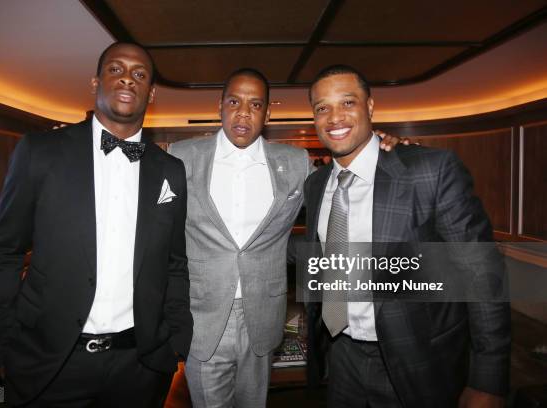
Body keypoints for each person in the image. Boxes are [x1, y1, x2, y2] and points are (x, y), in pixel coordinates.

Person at [169, 68, 404, 407]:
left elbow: (340, 191)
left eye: (255, 104)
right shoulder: (181, 155)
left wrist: (382, 150)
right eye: (234, 101)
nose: (242, 113)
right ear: (220, 104)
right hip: (202, 318)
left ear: (267, 113)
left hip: (263, 316)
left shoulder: (295, 162)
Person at [0, 42, 192, 407]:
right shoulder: (39, 151)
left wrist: (175, 343)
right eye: (116, 69)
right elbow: (4, 253)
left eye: (140, 74)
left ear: (151, 93)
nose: (128, 78)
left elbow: (175, 263)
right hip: (50, 364)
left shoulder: (170, 170)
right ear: (96, 81)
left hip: (139, 368)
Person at [303, 65, 510, 408]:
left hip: (419, 360)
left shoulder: (430, 170)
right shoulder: (316, 185)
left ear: (369, 107)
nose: (334, 117)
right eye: (322, 107)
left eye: (347, 102)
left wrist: (488, 379)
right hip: (341, 357)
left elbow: (482, 274)